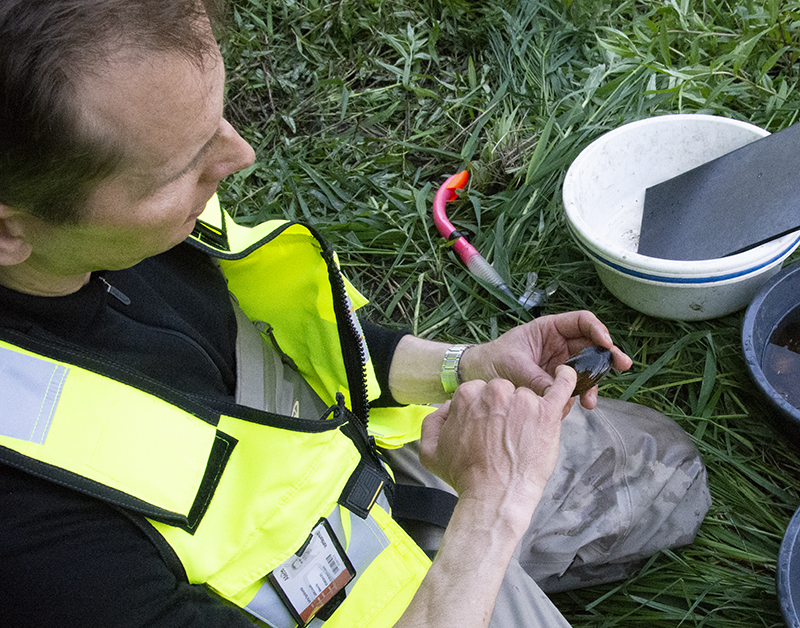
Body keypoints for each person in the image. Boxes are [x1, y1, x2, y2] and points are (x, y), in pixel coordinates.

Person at [0, 1, 710, 626]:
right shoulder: (36, 546)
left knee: (669, 476)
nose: (239, 156)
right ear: (10, 230)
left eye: (217, 120)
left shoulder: (101, 218)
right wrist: (493, 508)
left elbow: (275, 349)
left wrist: (463, 367)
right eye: (178, 167)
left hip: (346, 475)